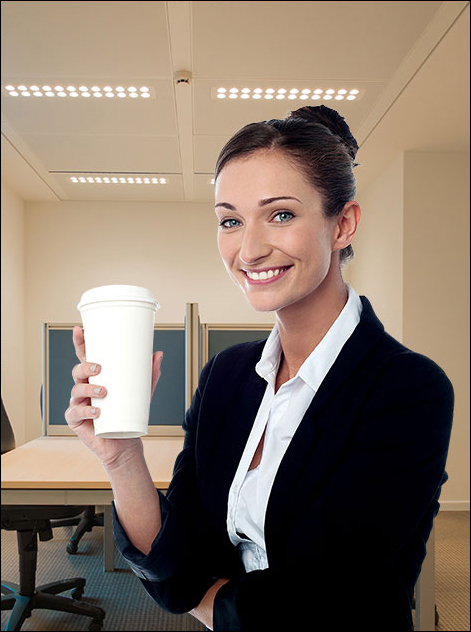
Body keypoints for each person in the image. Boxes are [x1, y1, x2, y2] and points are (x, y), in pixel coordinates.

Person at [65, 105, 454, 631]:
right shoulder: (228, 375)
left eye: (281, 214)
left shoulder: (407, 389)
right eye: (230, 220)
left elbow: (320, 603)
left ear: (343, 224)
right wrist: (120, 456)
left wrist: (199, 595)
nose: (248, 249)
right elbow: (175, 557)